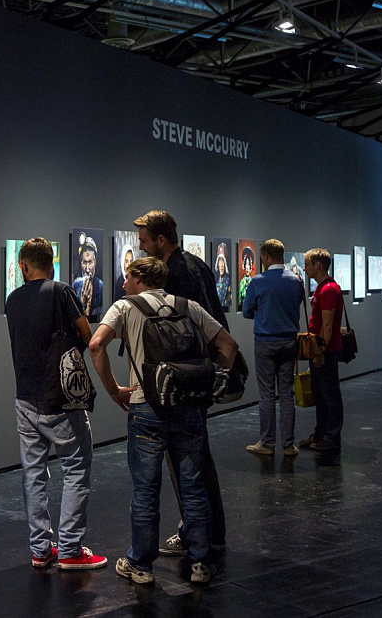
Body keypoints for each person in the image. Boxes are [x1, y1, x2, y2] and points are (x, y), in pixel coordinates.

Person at [89, 257, 238, 585]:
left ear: (140, 278)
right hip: (189, 408)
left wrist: (114, 391)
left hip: (146, 409)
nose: (124, 284)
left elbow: (96, 344)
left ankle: (140, 565)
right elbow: (228, 344)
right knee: (194, 487)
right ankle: (200, 564)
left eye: (127, 277)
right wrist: (208, 385)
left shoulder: (125, 307)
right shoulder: (189, 306)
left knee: (145, 490)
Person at [5, 237, 121, 571]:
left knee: (33, 475)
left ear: (24, 266)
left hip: (24, 399)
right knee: (76, 468)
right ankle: (70, 549)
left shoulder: (13, 300)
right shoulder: (61, 291)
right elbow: (88, 336)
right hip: (61, 400)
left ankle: (41, 550)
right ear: (51, 264)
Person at [133, 210, 227, 560]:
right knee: (196, 459)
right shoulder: (198, 265)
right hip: (197, 375)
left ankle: (202, 536)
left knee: (188, 463)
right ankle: (204, 533)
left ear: (160, 239)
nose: (141, 248)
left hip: (184, 380)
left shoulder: (175, 275)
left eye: (144, 241)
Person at [242, 239, 304, 457]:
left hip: (265, 342)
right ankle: (288, 445)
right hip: (289, 341)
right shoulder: (296, 280)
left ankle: (268, 443)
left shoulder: (258, 281)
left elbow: (247, 311)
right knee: (287, 393)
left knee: (267, 394)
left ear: (266, 256)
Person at [300, 248, 344, 451]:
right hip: (318, 349)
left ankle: (331, 436)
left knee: (329, 394)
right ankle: (321, 433)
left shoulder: (327, 290)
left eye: (307, 263)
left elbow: (327, 325)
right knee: (321, 394)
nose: (304, 267)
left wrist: (320, 352)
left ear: (318, 265)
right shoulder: (322, 288)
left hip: (324, 351)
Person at [72, 233, 104, 318]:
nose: (87, 269)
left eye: (90, 262)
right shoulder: (75, 285)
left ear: (95, 263)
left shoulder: (101, 286)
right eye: (84, 262)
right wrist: (83, 301)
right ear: (80, 263)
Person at [214, 243, 231, 309]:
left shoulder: (228, 282)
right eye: (219, 261)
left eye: (222, 261)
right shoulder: (216, 281)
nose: (221, 265)